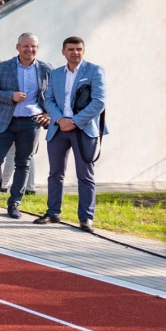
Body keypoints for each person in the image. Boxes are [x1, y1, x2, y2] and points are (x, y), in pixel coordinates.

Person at [0, 33, 51, 219]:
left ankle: (14, 204)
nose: (29, 50)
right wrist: (10, 96)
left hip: (31, 123)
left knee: (23, 164)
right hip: (4, 121)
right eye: (25, 46)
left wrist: (47, 114)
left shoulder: (46, 69)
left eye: (33, 46)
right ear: (18, 47)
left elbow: (53, 96)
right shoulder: (3, 67)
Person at [40, 37, 107, 231]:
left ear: (83, 51)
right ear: (63, 52)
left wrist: (75, 121)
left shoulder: (95, 71)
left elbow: (99, 102)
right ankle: (53, 213)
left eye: (78, 49)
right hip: (58, 128)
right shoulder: (56, 73)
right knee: (55, 173)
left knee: (85, 175)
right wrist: (61, 120)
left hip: (84, 129)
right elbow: (49, 99)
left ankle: (86, 218)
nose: (75, 52)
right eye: (71, 49)